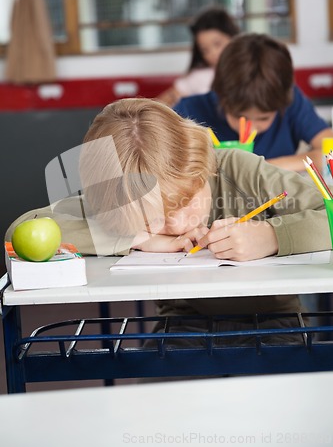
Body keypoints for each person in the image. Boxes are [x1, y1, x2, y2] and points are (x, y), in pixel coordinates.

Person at [5, 98, 331, 345]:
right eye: (153, 218)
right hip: (180, 327)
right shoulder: (119, 198)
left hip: (279, 322)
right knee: (154, 413)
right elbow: (21, 230)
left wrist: (273, 236)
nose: (175, 225)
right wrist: (135, 237)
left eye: (187, 202)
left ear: (202, 167)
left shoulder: (238, 171)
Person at [174, 33, 333, 172]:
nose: (250, 129)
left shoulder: (290, 101)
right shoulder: (188, 111)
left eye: (263, 118)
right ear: (221, 96)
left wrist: (261, 169)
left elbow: (330, 151)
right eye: (240, 117)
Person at [156, 6, 240, 107]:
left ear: (233, 37)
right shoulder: (199, 77)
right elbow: (161, 103)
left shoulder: (249, 71)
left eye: (217, 44)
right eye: (205, 50)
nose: (212, 53)